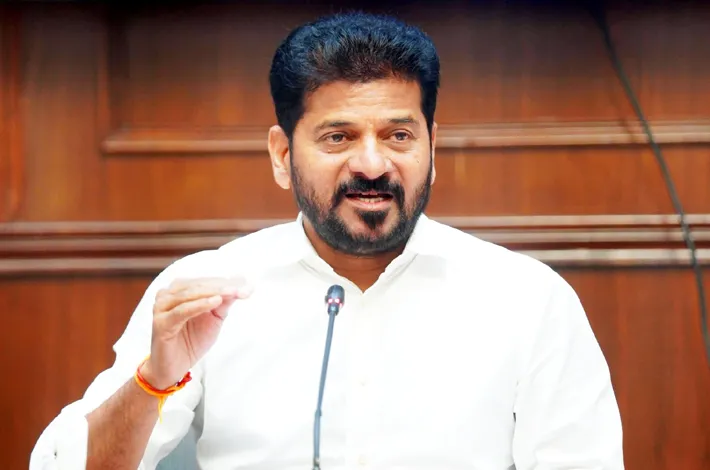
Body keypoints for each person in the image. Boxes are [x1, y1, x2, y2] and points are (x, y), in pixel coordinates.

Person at [30, 11, 624, 470]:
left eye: (398, 135)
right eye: (338, 137)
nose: (372, 164)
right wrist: (155, 380)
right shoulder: (205, 291)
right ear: (282, 155)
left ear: (432, 148)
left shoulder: (527, 299)